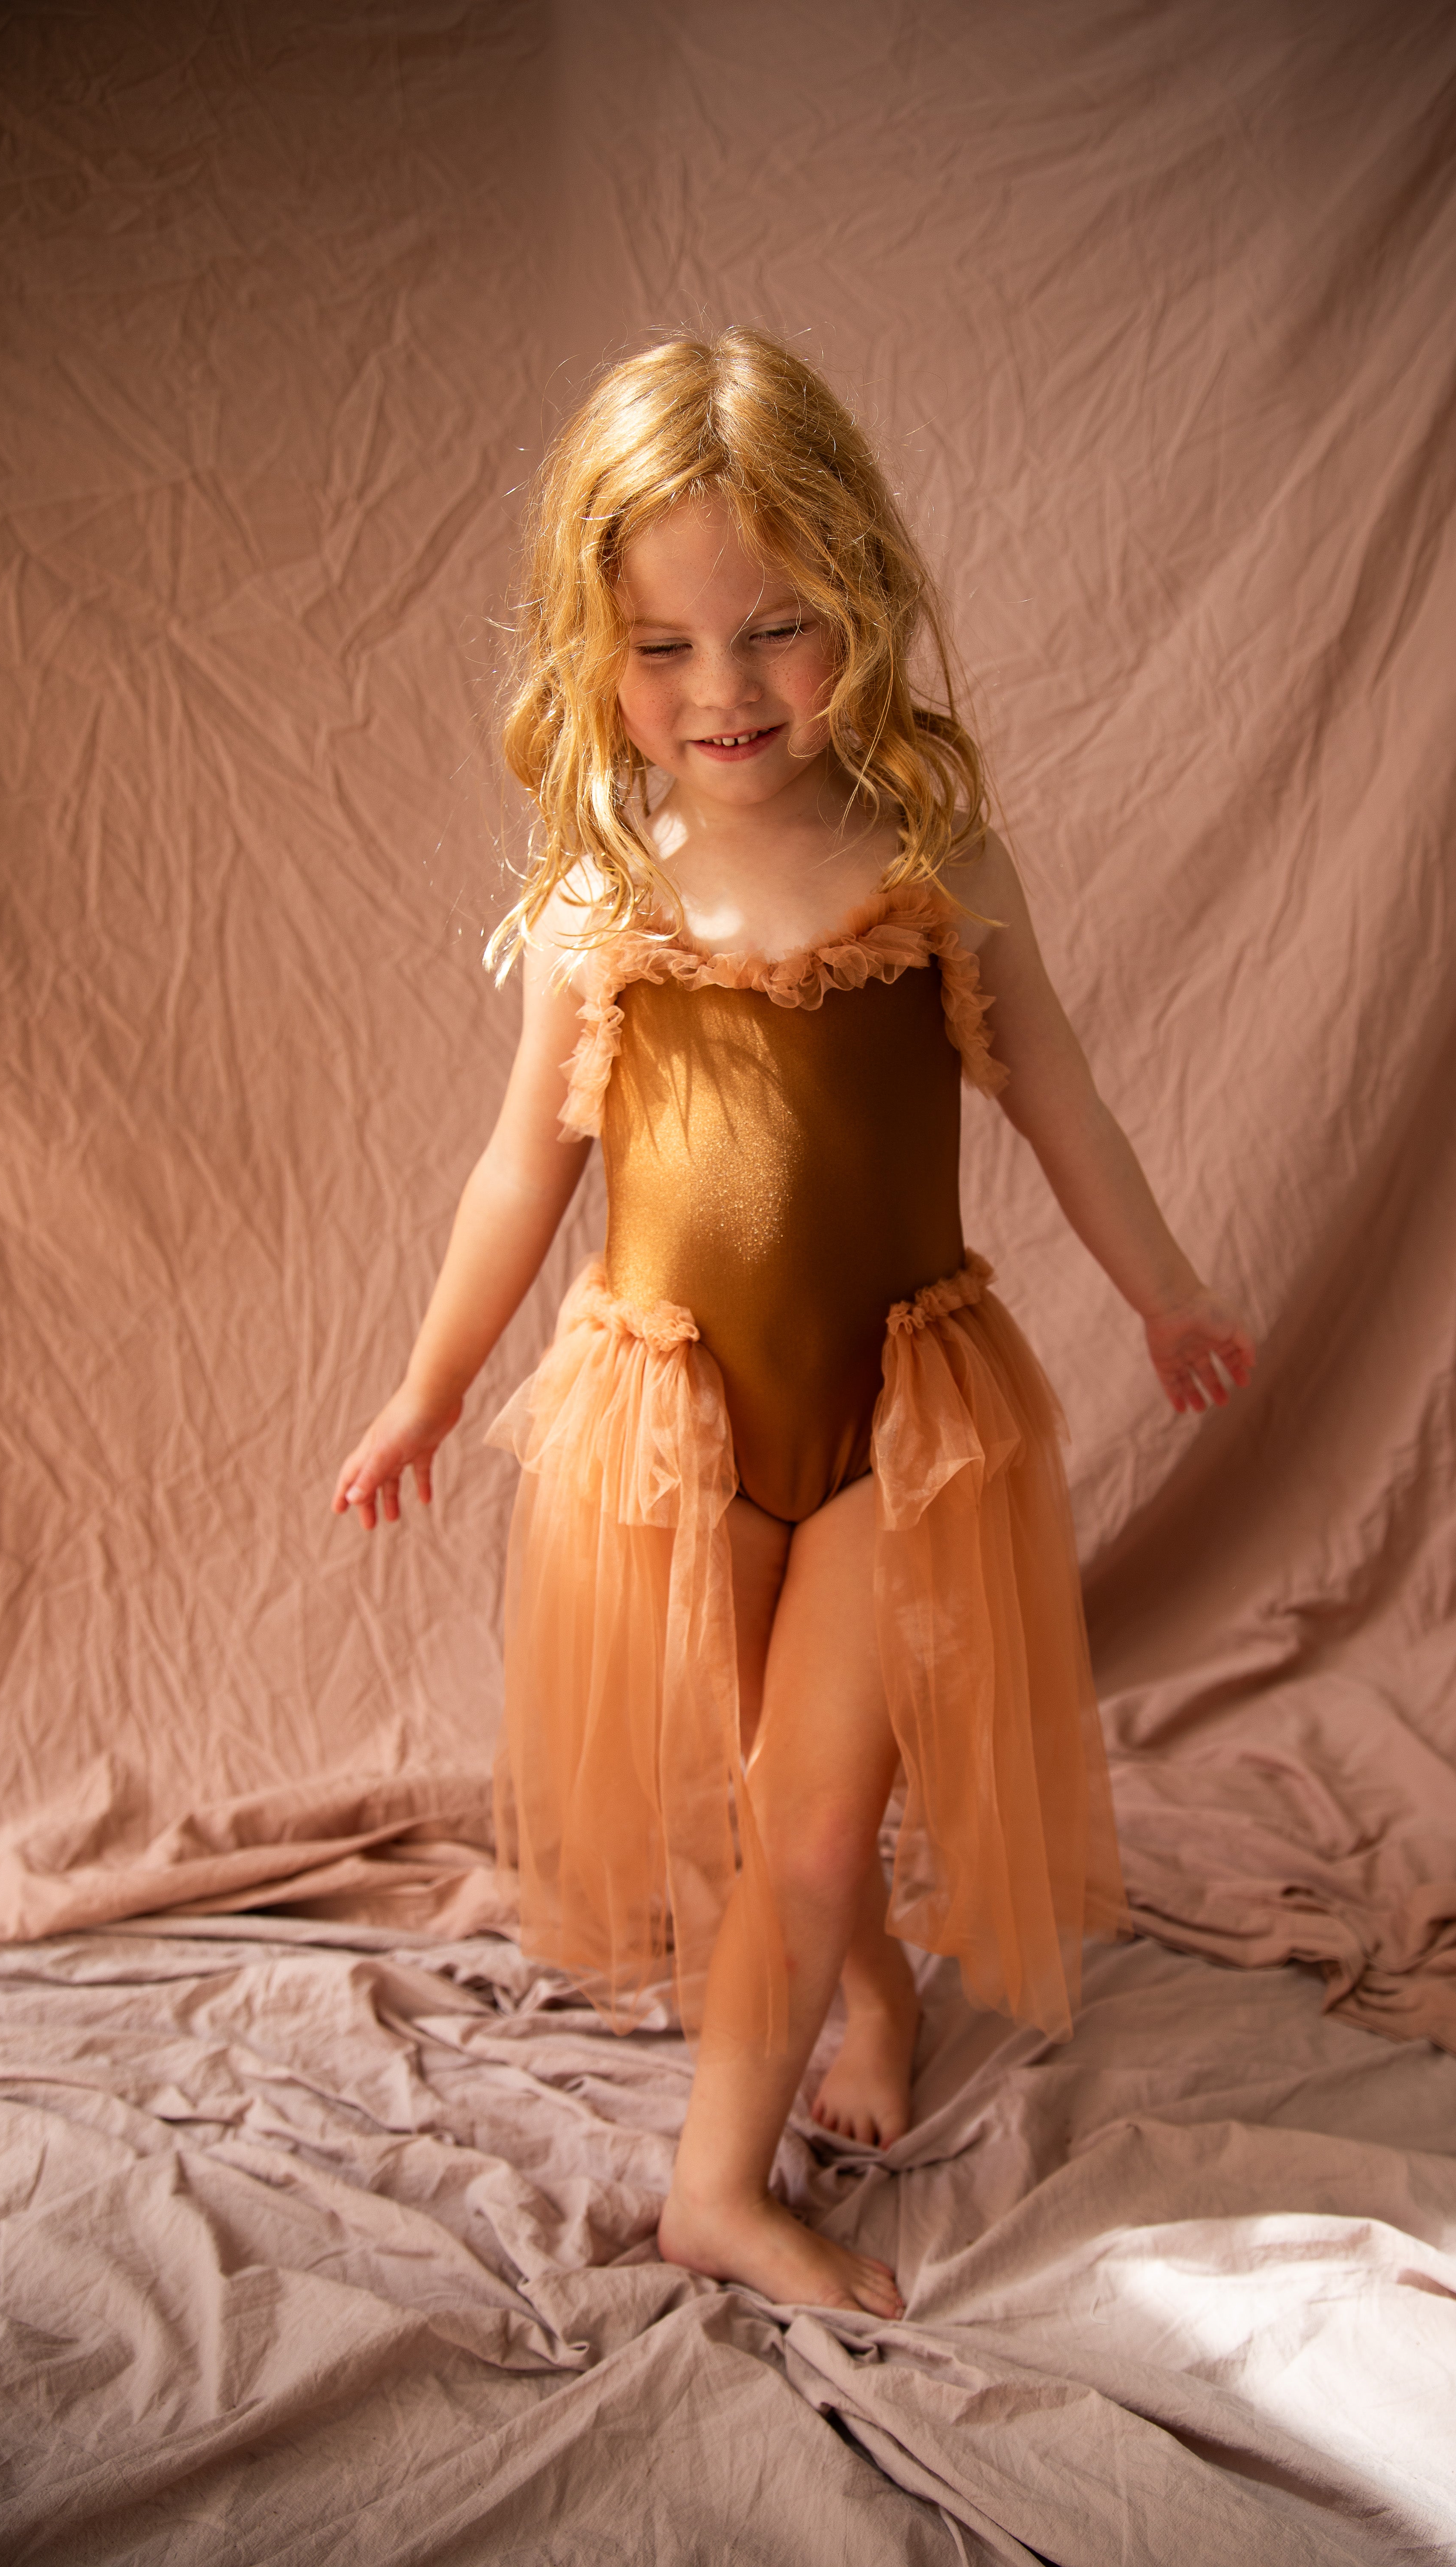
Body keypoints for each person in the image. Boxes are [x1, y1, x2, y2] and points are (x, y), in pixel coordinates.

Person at [334, 327, 1255, 2319]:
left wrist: (1165, 1292)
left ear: (860, 603)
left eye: (775, 631)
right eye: (662, 649)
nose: (726, 693)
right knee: (766, 1798)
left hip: (890, 1412)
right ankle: (861, 1990)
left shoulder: (934, 864)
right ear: (592, 656)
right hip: (674, 1420)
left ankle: (715, 2191)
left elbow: (1063, 1100)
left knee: (824, 1799)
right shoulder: (602, 899)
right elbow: (522, 1173)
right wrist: (426, 1391)